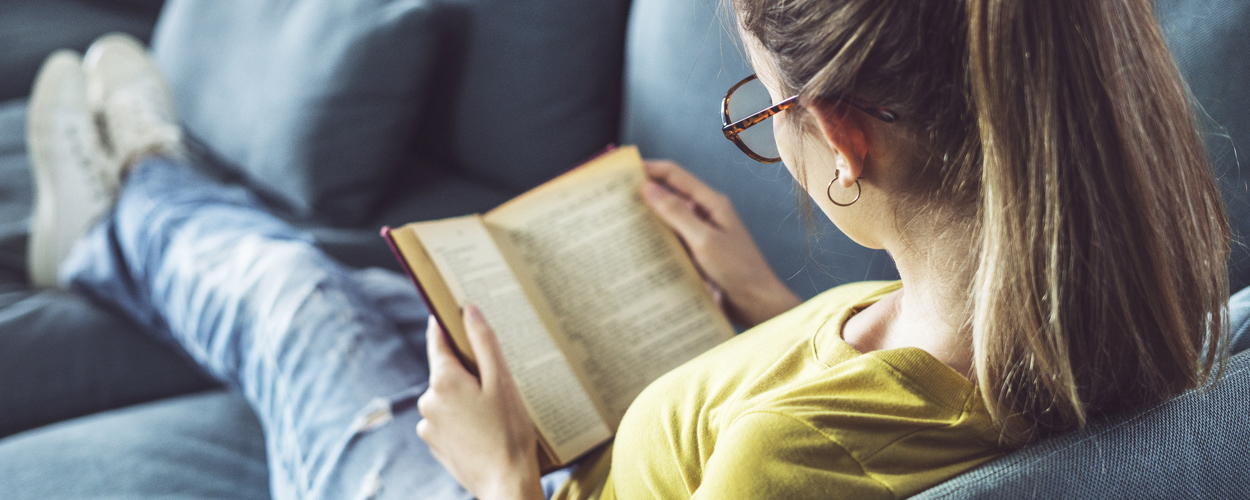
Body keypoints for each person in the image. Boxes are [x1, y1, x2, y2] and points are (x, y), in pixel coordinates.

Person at [21, 0, 1230, 497]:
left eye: (765, 115)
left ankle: (129, 199)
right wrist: (765, 300)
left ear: (845, 138)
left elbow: (811, 441)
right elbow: (884, 408)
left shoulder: (781, 453)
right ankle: (143, 187)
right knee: (383, 308)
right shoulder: (1139, 306)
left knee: (291, 300)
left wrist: (496, 470)